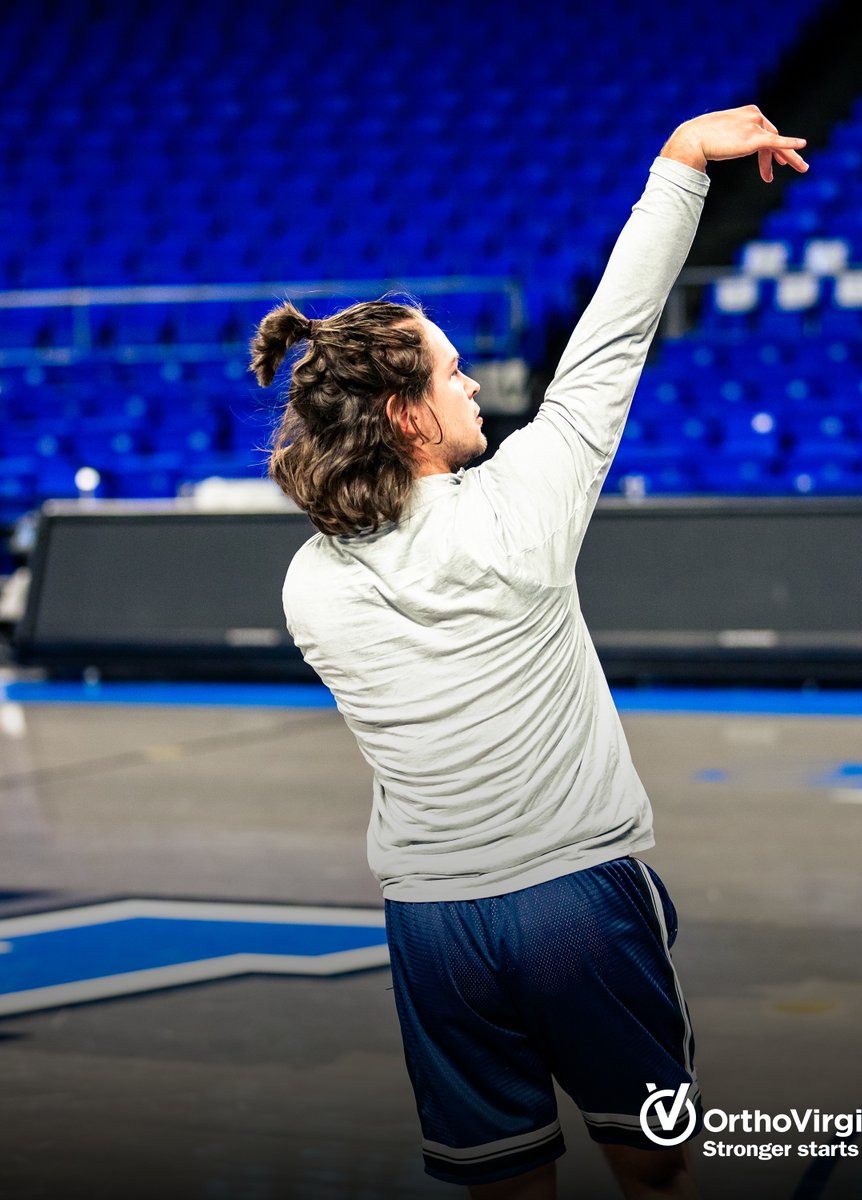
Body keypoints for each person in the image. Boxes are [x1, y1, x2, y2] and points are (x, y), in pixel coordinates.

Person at [250, 105, 808, 1200]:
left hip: (432, 925)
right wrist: (681, 166)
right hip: (576, 903)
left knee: (502, 1181)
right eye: (452, 373)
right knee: (654, 1167)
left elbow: (377, 532)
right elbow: (612, 339)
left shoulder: (306, 583)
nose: (473, 383)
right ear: (407, 415)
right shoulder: (522, 510)